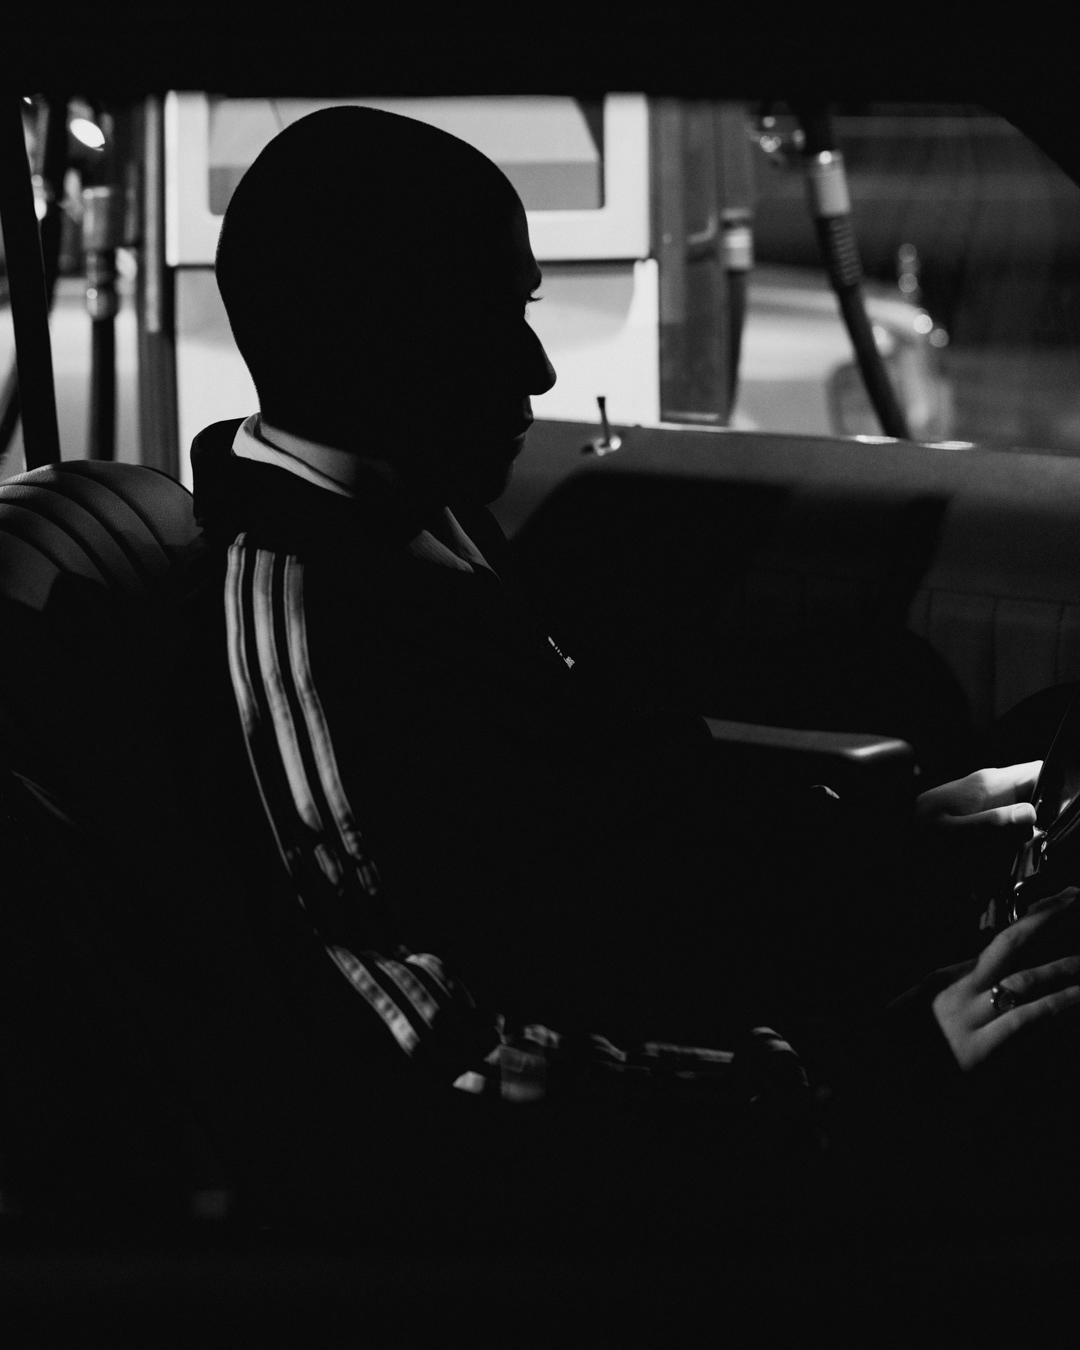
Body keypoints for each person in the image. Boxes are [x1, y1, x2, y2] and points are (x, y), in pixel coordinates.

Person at [167, 106, 1080, 1238]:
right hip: (683, 1139)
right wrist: (861, 1077)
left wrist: (889, 836)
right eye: (493, 320)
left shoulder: (427, 517)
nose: (539, 367)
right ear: (371, 343)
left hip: (735, 999)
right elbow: (440, 1049)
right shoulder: (292, 630)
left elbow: (618, 811)